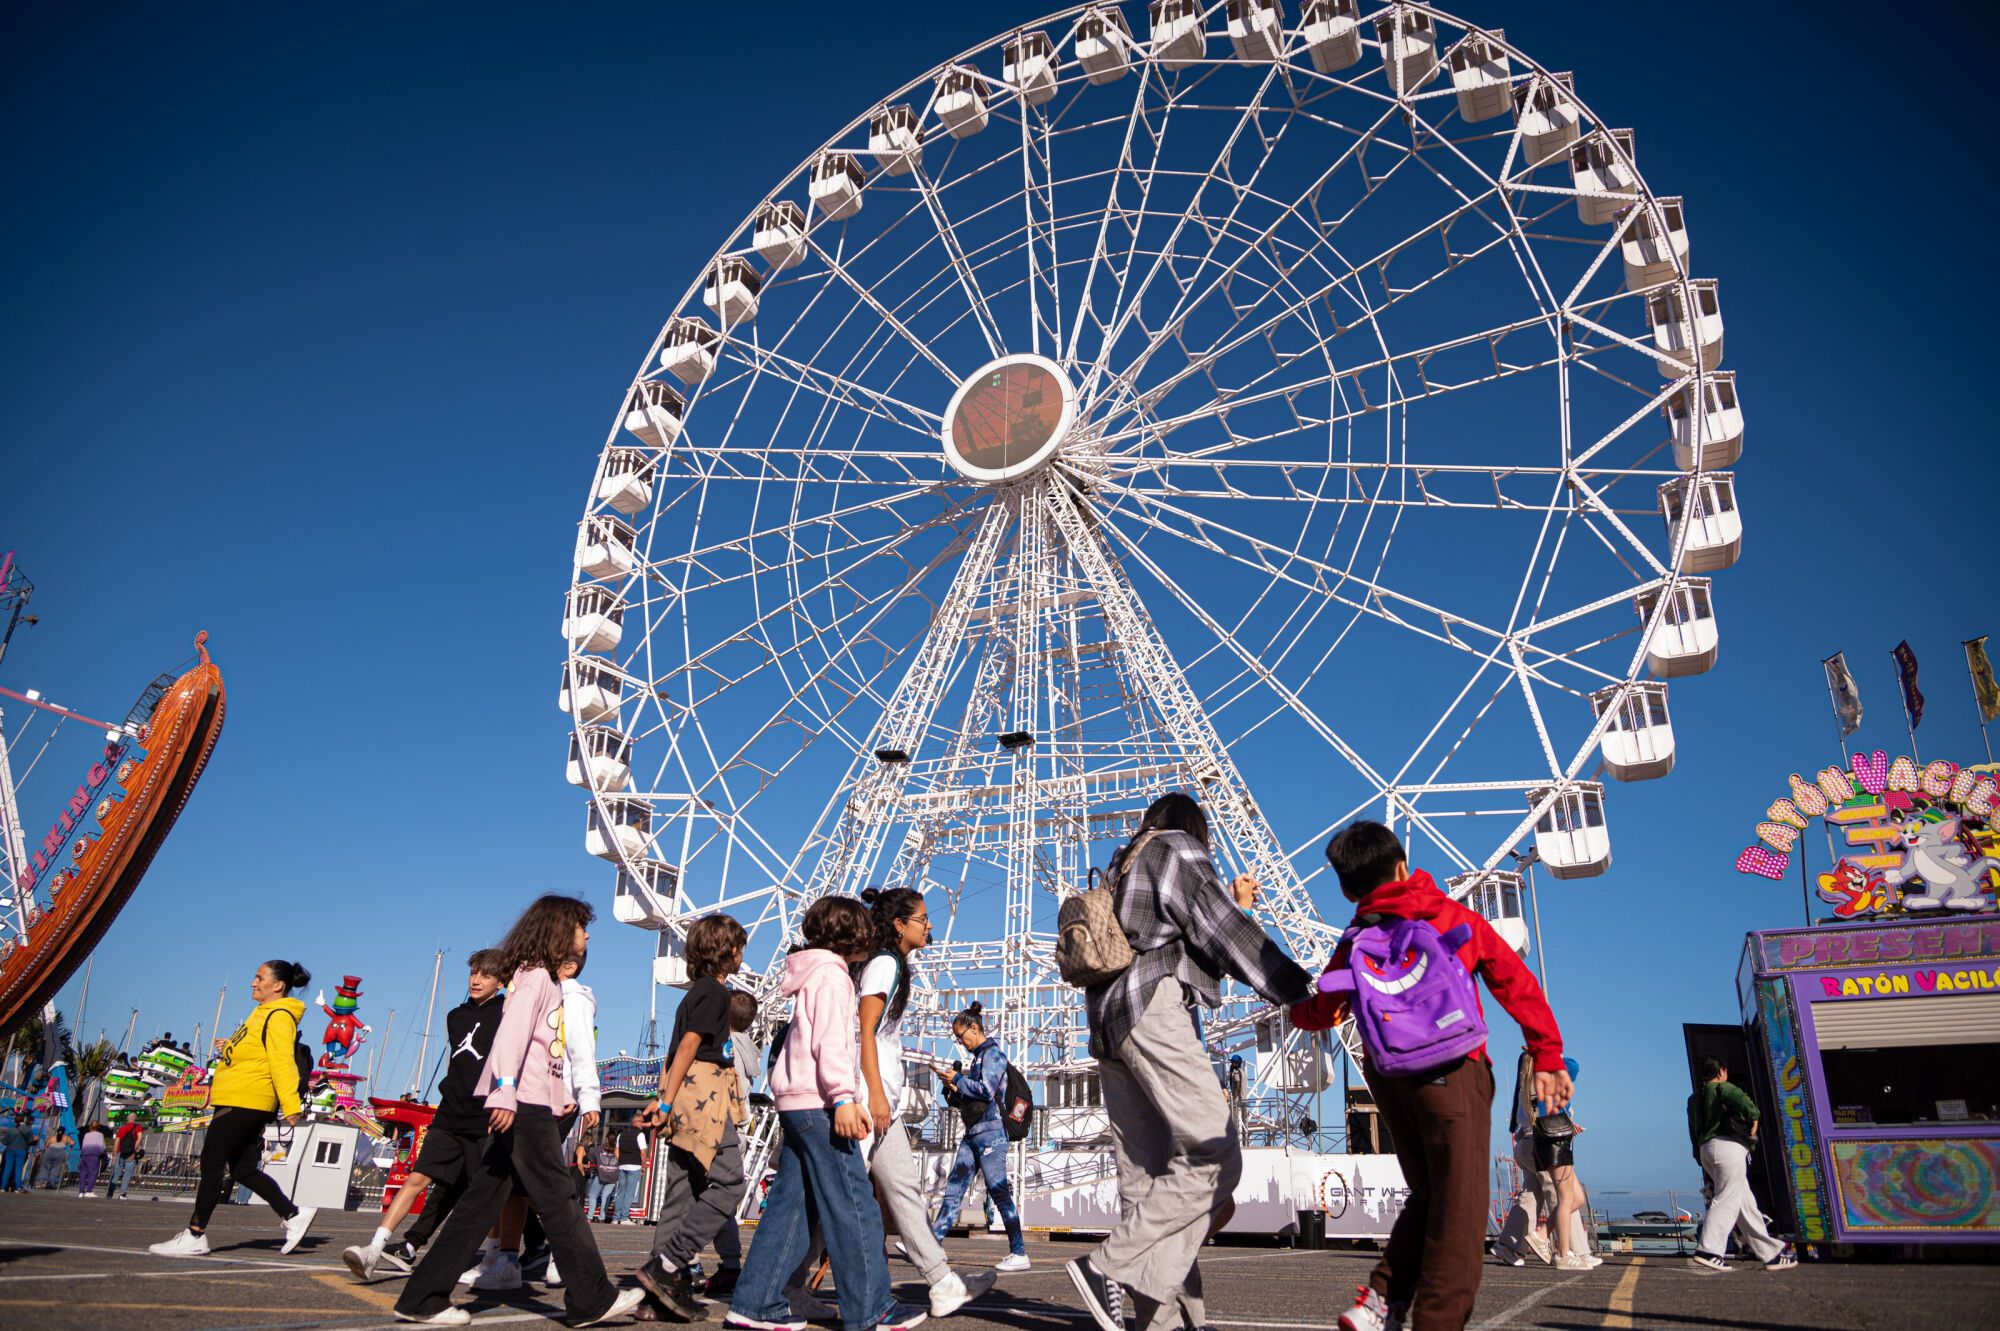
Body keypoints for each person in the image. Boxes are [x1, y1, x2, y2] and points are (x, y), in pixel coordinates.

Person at [1292, 822, 1569, 1331]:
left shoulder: (1355, 938)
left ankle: (1381, 1301)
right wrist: (1546, 1054)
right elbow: (1514, 981)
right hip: (1452, 1071)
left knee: (1430, 1194)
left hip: (1389, 1079)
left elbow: (1322, 1009)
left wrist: (1296, 1011)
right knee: (1461, 1208)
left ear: (1347, 889)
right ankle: (1435, 1323)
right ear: (1402, 865)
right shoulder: (1446, 915)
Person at [1066, 792, 1315, 1331]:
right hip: (1153, 1009)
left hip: (1109, 1025)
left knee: (1146, 1183)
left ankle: (1168, 1323)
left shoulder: (1121, 864)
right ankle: (1106, 1263)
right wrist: (1294, 988)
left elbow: (1192, 933)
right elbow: (1219, 928)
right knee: (1213, 1149)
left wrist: (1235, 907)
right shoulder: (1176, 849)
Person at [392, 895, 645, 1327]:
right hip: (524, 1105)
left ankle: (422, 1296)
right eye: (582, 927)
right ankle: (591, 1297)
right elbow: (510, 1037)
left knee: (480, 1202)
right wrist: (506, 1092)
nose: (586, 935)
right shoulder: (537, 979)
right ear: (559, 931)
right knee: (559, 1198)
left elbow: (541, 1048)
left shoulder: (537, 979)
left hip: (531, 1099)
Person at [722, 895, 925, 1331]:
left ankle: (754, 1302)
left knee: (791, 1209)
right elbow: (832, 1044)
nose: (872, 935)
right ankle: (872, 1308)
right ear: (851, 935)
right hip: (821, 1104)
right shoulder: (834, 977)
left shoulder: (810, 973)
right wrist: (844, 1098)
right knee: (855, 1207)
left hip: (794, 1103)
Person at [856, 887, 995, 1318]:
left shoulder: (893, 965)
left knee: (904, 1192)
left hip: (885, 1102)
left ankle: (941, 1281)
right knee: (836, 1199)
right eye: (922, 918)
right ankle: (786, 1286)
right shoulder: (884, 964)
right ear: (900, 925)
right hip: (867, 1100)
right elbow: (864, 1032)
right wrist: (875, 1092)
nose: (929, 924)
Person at [344, 950, 505, 1281]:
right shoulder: (455, 1016)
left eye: (486, 975)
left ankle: (495, 1256)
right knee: (418, 1178)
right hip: (448, 1114)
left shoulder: (507, 1013)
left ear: (501, 982)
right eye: (473, 973)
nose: (476, 980)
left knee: (483, 1192)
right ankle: (375, 1249)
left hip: (484, 1116)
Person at [149, 959, 320, 1258]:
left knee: (212, 1163)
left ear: (278, 985)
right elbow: (257, 1052)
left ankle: (195, 1234)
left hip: (244, 1099)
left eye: (259, 978)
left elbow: (281, 1062)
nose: (253, 982)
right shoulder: (262, 1013)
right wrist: (230, 1046)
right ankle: (293, 1214)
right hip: (243, 1097)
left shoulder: (279, 1016)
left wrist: (292, 1105)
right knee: (242, 1169)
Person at [636, 912, 752, 1321]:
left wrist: (662, 1097)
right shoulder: (716, 995)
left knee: (681, 1192)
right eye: (738, 947)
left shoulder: (692, 994)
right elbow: (688, 1046)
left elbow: (673, 1053)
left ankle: (654, 1298)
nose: (741, 953)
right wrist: (664, 1102)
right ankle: (669, 1263)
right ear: (726, 952)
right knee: (729, 1183)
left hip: (684, 1096)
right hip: (706, 1098)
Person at [928, 1003, 1027, 1273]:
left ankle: (1019, 1251)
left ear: (975, 1028)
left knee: (998, 1190)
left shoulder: (992, 1054)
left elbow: (985, 1091)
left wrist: (958, 1079)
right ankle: (932, 1244)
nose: (961, 1042)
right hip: (974, 1133)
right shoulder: (977, 1059)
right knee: (954, 1188)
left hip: (992, 1134)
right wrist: (954, 1086)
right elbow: (972, 1097)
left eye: (962, 1037)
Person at [1687, 1056, 1795, 1273]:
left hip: (1706, 1149)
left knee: (1745, 1204)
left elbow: (1693, 1130)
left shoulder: (1693, 1099)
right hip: (1727, 1148)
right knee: (1727, 1199)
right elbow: (1743, 1101)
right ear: (1722, 1072)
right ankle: (1708, 1250)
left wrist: (1700, 1157)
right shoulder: (1723, 1088)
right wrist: (1754, 1117)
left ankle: (1770, 1254)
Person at [702, 988, 763, 1302]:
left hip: (719, 1128)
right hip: (735, 1128)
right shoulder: (748, 1050)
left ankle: (690, 1258)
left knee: (706, 1197)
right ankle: (727, 1262)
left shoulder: (728, 1049)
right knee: (719, 1196)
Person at [1539, 1057, 1592, 1270]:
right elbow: (1573, 1066)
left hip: (1557, 1139)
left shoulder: (1546, 1084)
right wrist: (1555, 1055)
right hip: (1556, 1142)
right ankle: (1563, 1253)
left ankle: (1542, 1235)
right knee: (1566, 1198)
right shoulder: (1552, 1082)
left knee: (1576, 1198)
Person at [111, 1116, 145, 1198]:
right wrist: (134, 1151)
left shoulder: (121, 1129)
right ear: (135, 1119)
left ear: (127, 1120)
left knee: (116, 1173)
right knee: (127, 1174)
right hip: (131, 1154)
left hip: (120, 1153)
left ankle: (110, 1192)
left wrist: (114, 1155)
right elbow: (139, 1138)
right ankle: (122, 1194)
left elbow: (116, 1142)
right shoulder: (137, 1127)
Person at [76, 1121, 107, 1197]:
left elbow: (83, 1145)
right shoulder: (100, 1135)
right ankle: (89, 1191)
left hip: (84, 1155)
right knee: (92, 1173)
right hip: (93, 1156)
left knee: (83, 1174)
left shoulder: (86, 1135)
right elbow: (102, 1147)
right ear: (98, 1127)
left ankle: (81, 1191)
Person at [0, 1113, 30, 1192]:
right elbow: (30, 1141)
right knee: (19, 1169)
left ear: (15, 1120)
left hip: (10, 1150)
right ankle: (17, 1188)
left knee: (7, 1169)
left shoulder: (11, 1130)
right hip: (22, 1151)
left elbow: (4, 1142)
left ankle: (3, 1187)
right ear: (24, 1120)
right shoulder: (27, 1129)